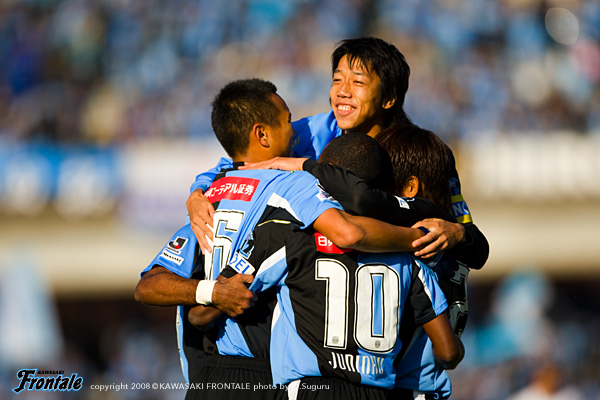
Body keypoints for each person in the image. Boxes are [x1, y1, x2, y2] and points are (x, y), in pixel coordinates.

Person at [135, 78, 430, 398]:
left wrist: (211, 292)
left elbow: (148, 285)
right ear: (262, 134)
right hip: (265, 374)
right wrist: (420, 237)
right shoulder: (292, 186)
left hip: (209, 377)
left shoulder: (208, 199)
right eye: (288, 121)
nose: (294, 131)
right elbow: (349, 232)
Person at [190, 132, 464, 400]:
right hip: (380, 392)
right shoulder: (409, 253)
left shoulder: (286, 234)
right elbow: (449, 353)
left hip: (308, 389)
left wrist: (212, 303)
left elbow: (200, 316)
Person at [185, 37, 482, 260]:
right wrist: (197, 193)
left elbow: (477, 248)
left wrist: (458, 233)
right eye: (337, 79)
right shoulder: (315, 132)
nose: (342, 91)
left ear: (389, 98)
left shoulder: (423, 153)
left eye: (358, 82)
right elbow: (244, 160)